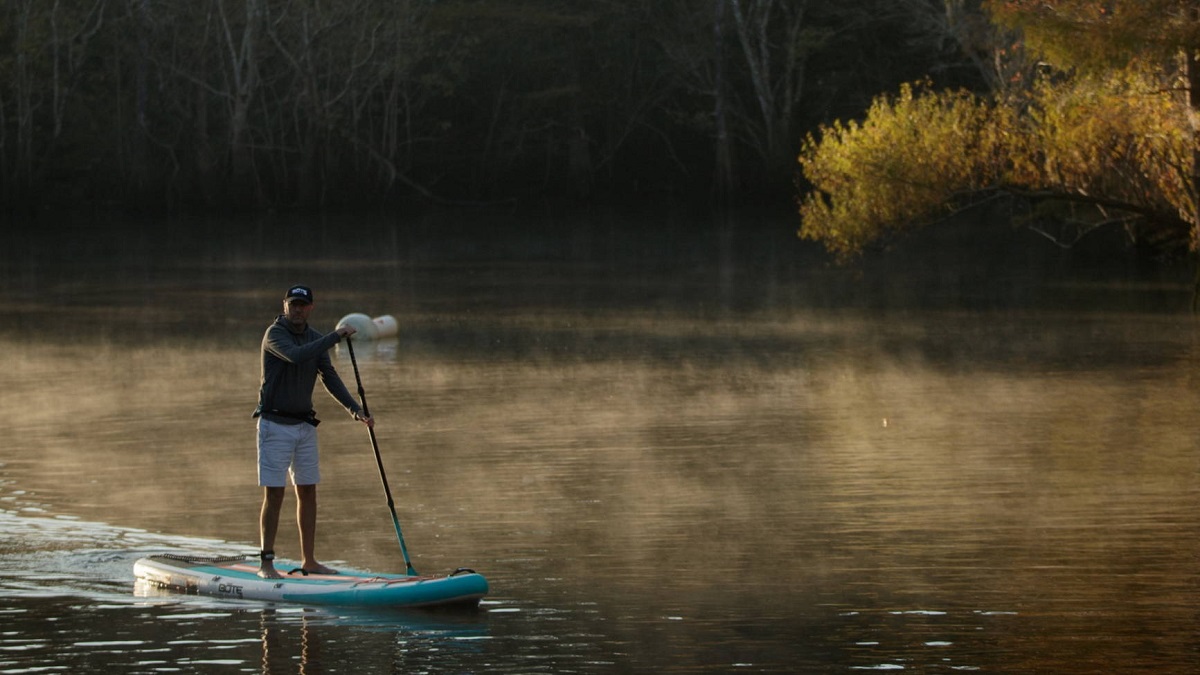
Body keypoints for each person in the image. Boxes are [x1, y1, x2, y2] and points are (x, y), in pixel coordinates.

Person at [253, 284, 374, 579]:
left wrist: (355, 409)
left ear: (310, 308)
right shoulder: (275, 335)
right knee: (275, 493)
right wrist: (335, 337)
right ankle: (266, 564)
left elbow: (329, 377)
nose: (297, 310)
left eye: (302, 305)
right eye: (293, 304)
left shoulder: (316, 339)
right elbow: (295, 356)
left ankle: (309, 561)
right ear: (284, 306)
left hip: (304, 426)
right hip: (274, 425)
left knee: (308, 491)